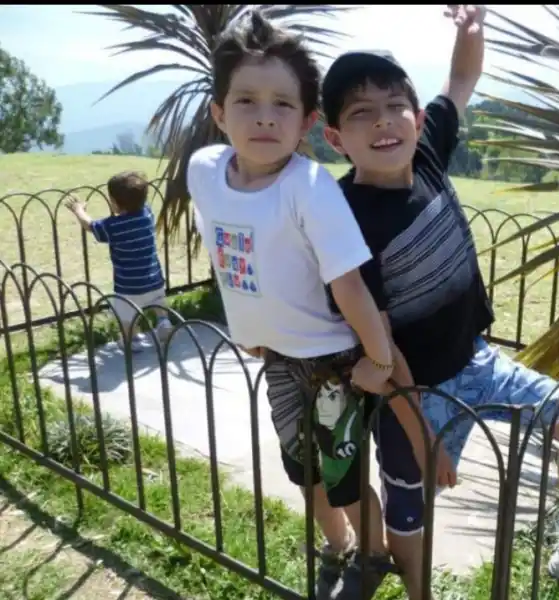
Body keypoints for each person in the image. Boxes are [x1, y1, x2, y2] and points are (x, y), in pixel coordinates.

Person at [315, 5, 559, 600]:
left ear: (413, 115)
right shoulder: (343, 218)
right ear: (335, 137)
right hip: (408, 391)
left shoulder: (427, 150)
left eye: (395, 107)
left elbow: (460, 83)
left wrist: (470, 29)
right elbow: (378, 344)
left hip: (477, 361)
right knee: (411, 518)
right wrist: (424, 432)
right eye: (362, 115)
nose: (385, 124)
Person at [184, 12, 431, 600]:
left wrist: (376, 359)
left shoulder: (309, 187)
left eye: (282, 104)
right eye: (245, 100)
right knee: (304, 473)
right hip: (277, 359)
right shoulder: (204, 171)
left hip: (333, 364)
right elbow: (224, 245)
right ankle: (339, 545)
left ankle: (371, 556)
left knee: (343, 477)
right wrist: (246, 320)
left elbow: (349, 286)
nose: (264, 115)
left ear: (308, 123)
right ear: (219, 113)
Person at [64, 171, 172, 352]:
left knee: (126, 316)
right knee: (159, 303)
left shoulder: (113, 227)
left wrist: (79, 210)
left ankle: (131, 340)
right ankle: (163, 322)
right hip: (154, 279)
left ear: (115, 203)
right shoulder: (147, 215)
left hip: (128, 286)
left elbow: (90, 226)